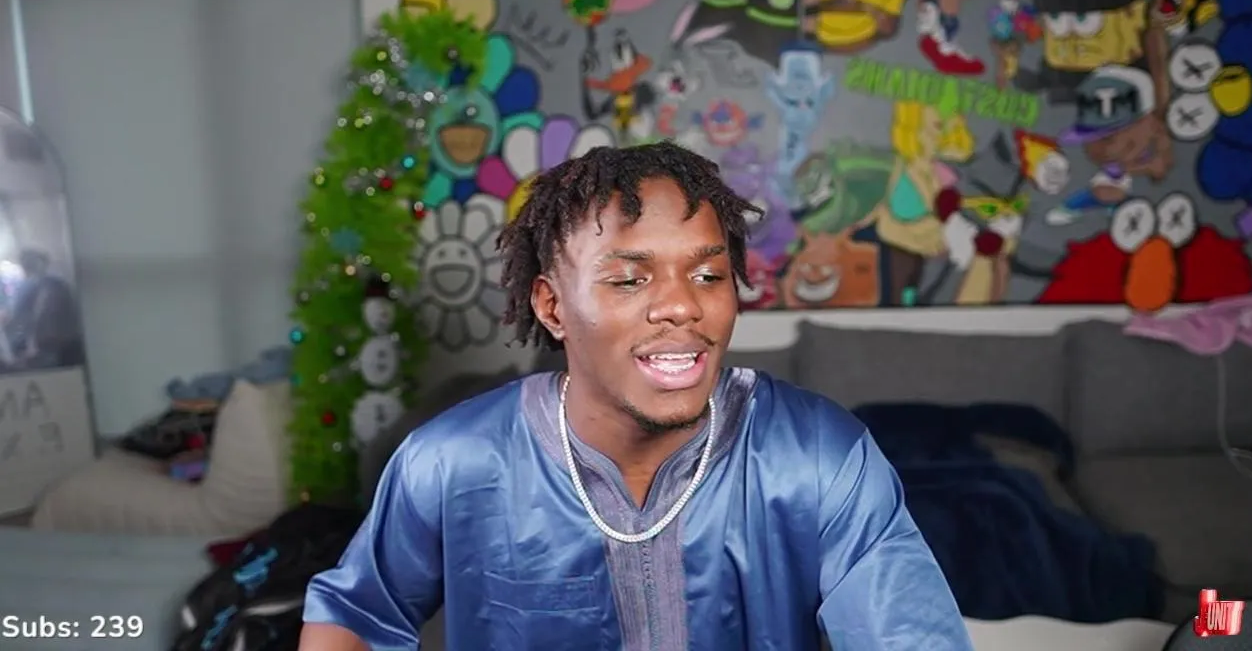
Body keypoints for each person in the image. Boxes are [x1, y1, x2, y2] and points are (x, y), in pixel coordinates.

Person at [300, 142, 973, 650]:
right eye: (628, 280)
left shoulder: (818, 457)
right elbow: (355, 615)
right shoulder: (453, 462)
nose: (682, 306)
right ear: (552, 307)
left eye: (708, 275)